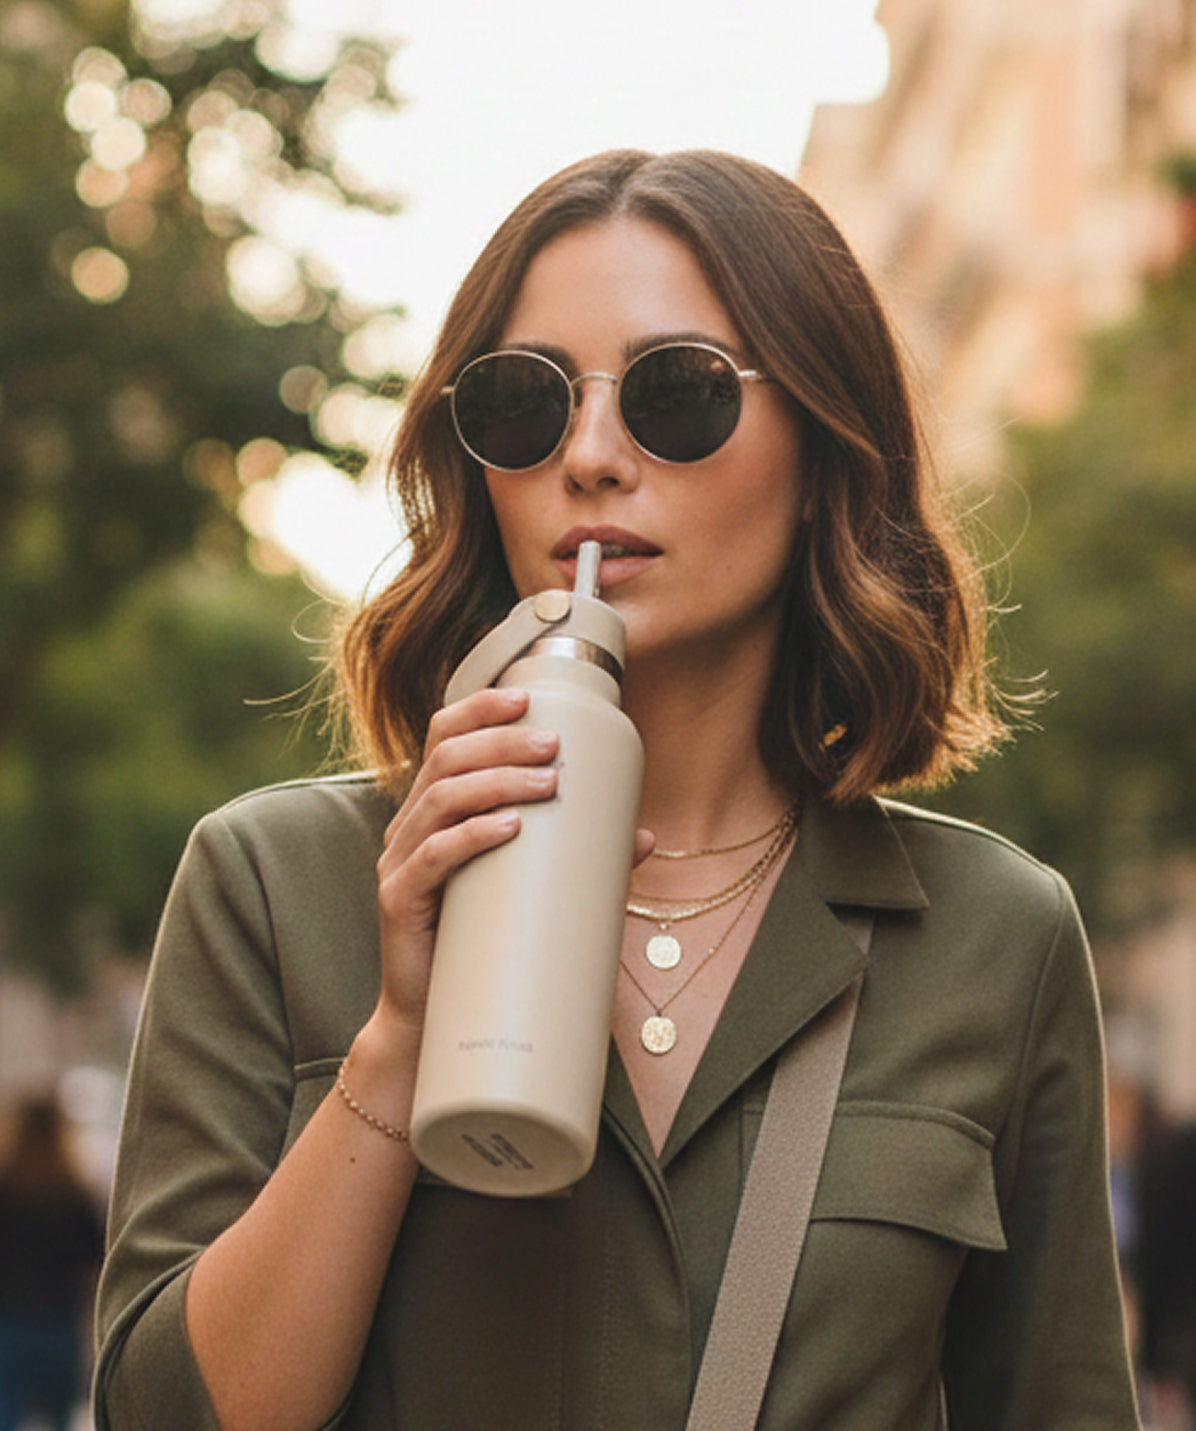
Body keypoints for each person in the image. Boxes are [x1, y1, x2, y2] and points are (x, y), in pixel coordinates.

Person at [94, 149, 1140, 1430]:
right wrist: (394, 1049)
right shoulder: (274, 883)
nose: (588, 455)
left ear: (821, 449)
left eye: (678, 393)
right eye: (527, 404)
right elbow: (166, 1415)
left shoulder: (993, 933)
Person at [0, 1092, 105, 1431]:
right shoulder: (73, 1193)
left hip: (11, 1325)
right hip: (60, 1324)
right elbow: (96, 1258)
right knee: (60, 1421)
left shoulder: (5, 1191)